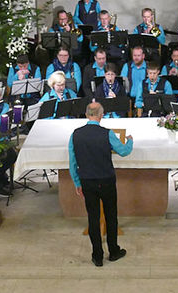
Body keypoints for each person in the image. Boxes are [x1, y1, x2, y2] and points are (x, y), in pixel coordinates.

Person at [68, 102, 134, 266]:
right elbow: (124, 151)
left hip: (87, 181)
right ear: (101, 115)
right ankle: (113, 251)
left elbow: (72, 161)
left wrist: (77, 182)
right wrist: (130, 141)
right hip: (106, 180)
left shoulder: (75, 134)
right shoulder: (107, 133)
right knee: (111, 216)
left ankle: (97, 255)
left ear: (86, 114)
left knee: (93, 217)